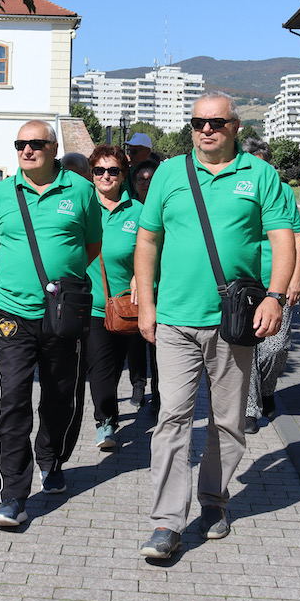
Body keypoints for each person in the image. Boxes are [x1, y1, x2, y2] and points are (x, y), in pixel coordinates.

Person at [133, 93, 295, 559]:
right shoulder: (169, 173)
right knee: (172, 417)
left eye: (216, 122)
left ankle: (214, 500)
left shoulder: (260, 175)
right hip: (175, 319)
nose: (206, 129)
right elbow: (148, 239)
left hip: (233, 320)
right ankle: (167, 522)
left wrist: (275, 297)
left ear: (235, 126)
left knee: (226, 421)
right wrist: (146, 305)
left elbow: (283, 240)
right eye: (198, 122)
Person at [0, 120, 102, 528]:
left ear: (53, 148)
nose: (27, 150)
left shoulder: (81, 190)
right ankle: (12, 495)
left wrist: (59, 282)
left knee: (60, 395)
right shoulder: (0, 194)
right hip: (13, 314)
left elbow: (91, 245)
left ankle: (51, 459)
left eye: (35, 144)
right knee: (12, 399)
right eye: (20, 144)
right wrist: (25, 278)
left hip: (63, 314)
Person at [240, 138, 300, 434]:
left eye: (263, 165)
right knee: (247, 348)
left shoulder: (282, 191)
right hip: (244, 283)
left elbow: (296, 235)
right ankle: (250, 409)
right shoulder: (237, 189)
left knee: (275, 347)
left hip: (278, 282)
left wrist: (296, 277)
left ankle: (267, 389)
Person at [83, 144, 141, 452]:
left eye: (113, 170)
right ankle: (105, 422)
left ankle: (110, 414)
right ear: (91, 173)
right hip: (90, 305)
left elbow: (154, 253)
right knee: (100, 367)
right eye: (99, 170)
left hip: (124, 306)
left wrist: (141, 276)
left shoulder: (138, 212)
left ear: (124, 173)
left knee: (116, 365)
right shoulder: (82, 205)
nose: (106, 176)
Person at [126, 156, 162, 411]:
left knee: (159, 345)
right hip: (135, 287)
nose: (146, 183)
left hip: (163, 285)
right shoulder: (130, 210)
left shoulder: (165, 209)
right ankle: (138, 385)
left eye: (151, 179)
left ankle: (159, 393)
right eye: (141, 179)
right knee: (136, 343)